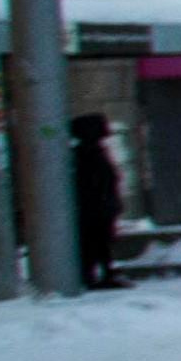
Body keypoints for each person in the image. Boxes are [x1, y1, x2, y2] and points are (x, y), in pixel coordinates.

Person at [66, 112, 127, 290]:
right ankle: (97, 274)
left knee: (97, 243)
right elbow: (103, 181)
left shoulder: (84, 154)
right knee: (97, 242)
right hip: (96, 208)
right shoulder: (90, 155)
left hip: (96, 207)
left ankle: (98, 273)